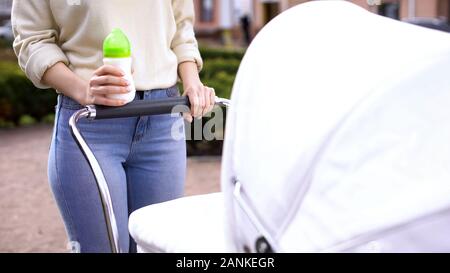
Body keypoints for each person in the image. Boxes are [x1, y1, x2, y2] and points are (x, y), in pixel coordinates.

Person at [12, 0, 215, 253]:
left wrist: (192, 81)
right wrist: (82, 89)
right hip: (90, 124)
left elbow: (181, 28)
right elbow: (32, 40)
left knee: (156, 246)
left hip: (163, 120)